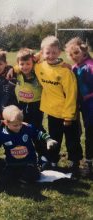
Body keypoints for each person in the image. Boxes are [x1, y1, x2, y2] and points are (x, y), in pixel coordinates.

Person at [35, 35, 83, 175]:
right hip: (52, 112)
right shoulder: (39, 67)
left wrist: (69, 116)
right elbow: (28, 60)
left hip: (68, 114)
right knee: (54, 139)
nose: (50, 56)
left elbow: (71, 95)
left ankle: (74, 162)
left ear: (59, 53)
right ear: (42, 53)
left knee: (72, 140)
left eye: (54, 52)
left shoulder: (65, 71)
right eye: (47, 52)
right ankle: (53, 161)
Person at [0, 105, 58, 185]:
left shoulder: (27, 128)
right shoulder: (2, 134)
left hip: (28, 163)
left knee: (32, 176)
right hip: (12, 164)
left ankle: (39, 166)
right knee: (3, 181)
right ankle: (18, 177)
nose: (19, 127)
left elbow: (39, 133)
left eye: (20, 124)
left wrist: (48, 140)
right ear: (6, 122)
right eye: (15, 125)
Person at [14, 48, 48, 168]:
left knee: (36, 129)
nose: (25, 66)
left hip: (36, 105)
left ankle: (43, 155)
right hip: (22, 105)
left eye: (28, 63)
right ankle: (28, 155)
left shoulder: (38, 71)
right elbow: (12, 67)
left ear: (33, 63)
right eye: (22, 64)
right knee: (23, 128)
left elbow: (43, 57)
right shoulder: (17, 73)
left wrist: (35, 56)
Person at [65, 37, 93, 177]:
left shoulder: (90, 66)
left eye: (75, 53)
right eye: (70, 54)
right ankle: (76, 159)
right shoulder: (75, 67)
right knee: (76, 131)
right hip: (78, 104)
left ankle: (88, 162)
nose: (73, 57)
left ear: (84, 51)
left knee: (90, 133)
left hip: (90, 105)